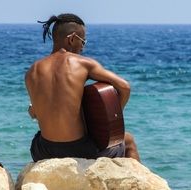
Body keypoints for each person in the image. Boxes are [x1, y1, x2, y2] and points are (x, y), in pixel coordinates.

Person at [25, 13, 140, 162]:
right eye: (83, 41)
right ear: (72, 39)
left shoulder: (32, 71)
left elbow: (36, 111)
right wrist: (110, 120)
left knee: (38, 137)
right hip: (80, 150)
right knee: (128, 140)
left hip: (44, 150)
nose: (82, 48)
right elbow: (124, 87)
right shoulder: (83, 63)